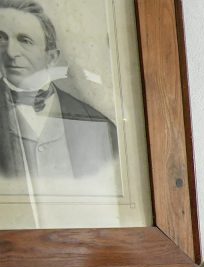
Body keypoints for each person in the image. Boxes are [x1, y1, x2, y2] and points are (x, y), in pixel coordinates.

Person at [0, 0, 118, 183]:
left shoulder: (100, 127)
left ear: (52, 57)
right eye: (1, 38)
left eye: (25, 41)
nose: (10, 52)